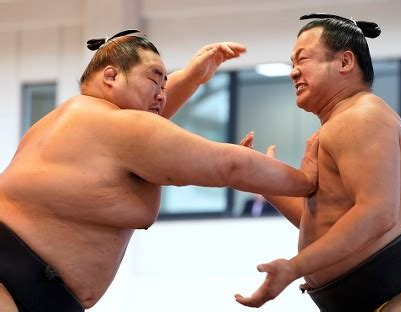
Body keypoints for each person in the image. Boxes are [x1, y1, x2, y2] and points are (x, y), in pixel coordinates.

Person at [0, 30, 318, 311]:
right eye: (154, 79)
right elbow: (229, 165)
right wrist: (307, 181)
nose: (162, 94)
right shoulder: (112, 124)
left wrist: (192, 77)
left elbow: (149, 118)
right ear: (110, 77)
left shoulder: (82, 120)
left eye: (166, 83)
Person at [235, 14, 401, 311]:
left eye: (302, 60)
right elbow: (323, 221)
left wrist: (295, 266)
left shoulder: (361, 116)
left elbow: (377, 212)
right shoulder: (338, 125)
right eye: (292, 63)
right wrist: (262, 182)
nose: (293, 72)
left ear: (344, 62)